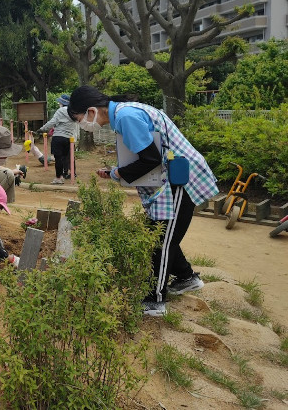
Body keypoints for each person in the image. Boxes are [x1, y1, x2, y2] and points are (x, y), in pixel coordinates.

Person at [67, 85, 218, 317]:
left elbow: (150, 159)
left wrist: (118, 174)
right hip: (169, 179)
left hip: (178, 181)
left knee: (161, 241)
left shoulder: (126, 117)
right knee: (159, 234)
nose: (83, 125)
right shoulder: (123, 115)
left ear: (91, 111)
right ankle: (187, 278)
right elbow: (145, 156)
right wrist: (116, 171)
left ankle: (155, 301)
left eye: (80, 120)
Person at [36, 94, 77, 184]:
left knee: (58, 159)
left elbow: (53, 122)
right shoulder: (73, 112)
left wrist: (42, 129)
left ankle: (59, 178)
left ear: (62, 103)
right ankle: (64, 174)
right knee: (64, 158)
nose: (59, 103)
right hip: (69, 139)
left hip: (58, 137)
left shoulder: (61, 111)